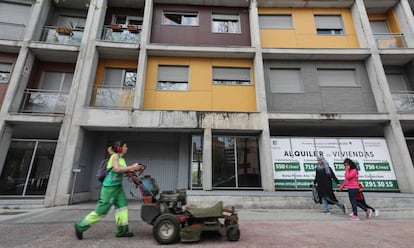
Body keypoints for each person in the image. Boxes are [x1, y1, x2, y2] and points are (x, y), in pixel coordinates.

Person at [74, 141, 143, 240]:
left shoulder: (122, 159)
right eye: (125, 146)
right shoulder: (115, 156)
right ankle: (80, 226)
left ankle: (122, 231)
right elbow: (116, 169)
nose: (127, 148)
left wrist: (135, 169)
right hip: (109, 188)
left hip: (118, 187)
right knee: (101, 211)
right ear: (120, 148)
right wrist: (132, 167)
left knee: (122, 207)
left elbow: (124, 170)